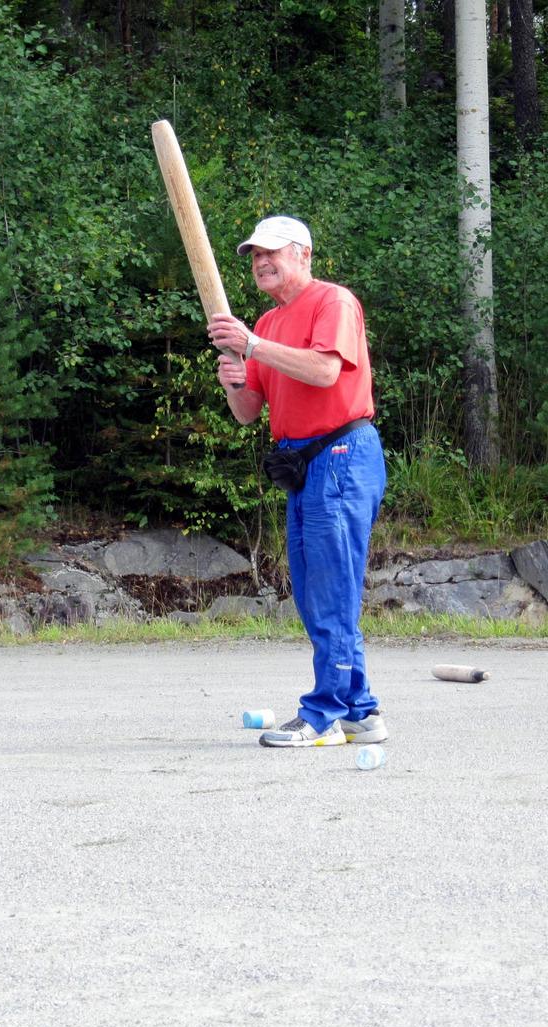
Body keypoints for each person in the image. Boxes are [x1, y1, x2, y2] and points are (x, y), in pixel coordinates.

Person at [207, 215, 388, 748]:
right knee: (314, 593)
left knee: (331, 590)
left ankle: (324, 714)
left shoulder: (333, 302)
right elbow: (247, 412)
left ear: (303, 254)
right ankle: (360, 712)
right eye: (255, 255)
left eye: (272, 252)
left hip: (342, 452)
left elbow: (326, 371)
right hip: (301, 462)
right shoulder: (267, 323)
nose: (261, 261)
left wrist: (253, 346)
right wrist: (232, 376)